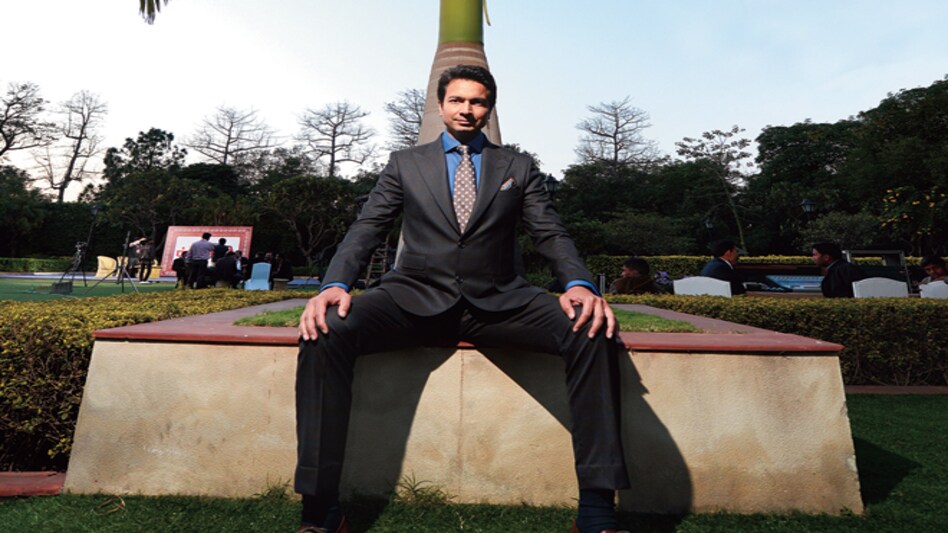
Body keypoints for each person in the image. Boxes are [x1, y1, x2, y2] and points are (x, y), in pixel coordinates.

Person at [295, 65, 628, 533]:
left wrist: (578, 285)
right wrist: (335, 285)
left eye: (477, 102)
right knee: (324, 332)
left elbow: (549, 232)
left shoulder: (518, 166)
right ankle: (320, 510)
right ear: (441, 104)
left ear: (489, 109)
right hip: (412, 297)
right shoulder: (405, 163)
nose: (467, 110)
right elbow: (368, 227)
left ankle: (597, 510)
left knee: (592, 331)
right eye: (457, 100)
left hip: (500, 300)